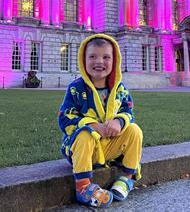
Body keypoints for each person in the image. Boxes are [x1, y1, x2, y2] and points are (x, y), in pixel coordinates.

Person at [58, 34, 143, 208]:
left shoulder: (120, 89)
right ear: (83, 60)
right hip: (84, 150)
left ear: (115, 61)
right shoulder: (75, 88)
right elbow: (65, 117)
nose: (99, 61)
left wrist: (119, 122)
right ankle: (82, 187)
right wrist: (92, 125)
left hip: (109, 146)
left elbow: (128, 111)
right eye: (92, 56)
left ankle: (126, 178)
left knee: (134, 130)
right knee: (84, 135)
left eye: (106, 57)